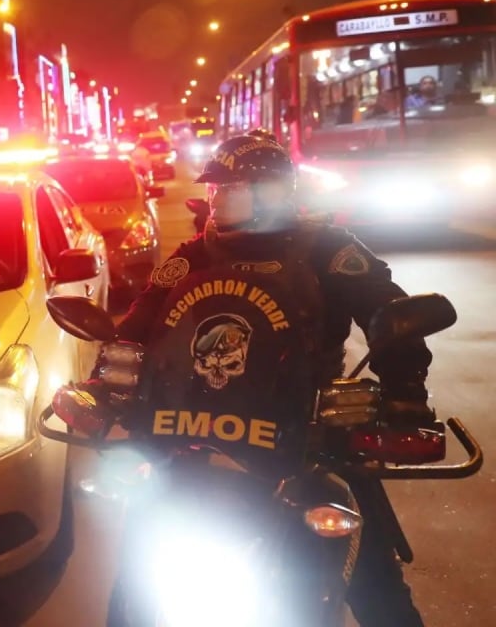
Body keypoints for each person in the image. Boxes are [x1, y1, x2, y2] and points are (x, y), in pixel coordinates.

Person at [64, 134, 434, 627]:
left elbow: (391, 315)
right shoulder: (194, 256)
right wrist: (105, 384)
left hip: (308, 434)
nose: (217, 201)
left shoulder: (328, 251)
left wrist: (406, 395)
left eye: (231, 190)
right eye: (215, 190)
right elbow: (139, 324)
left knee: (376, 584)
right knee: (134, 583)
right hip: (192, 429)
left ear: (272, 193)